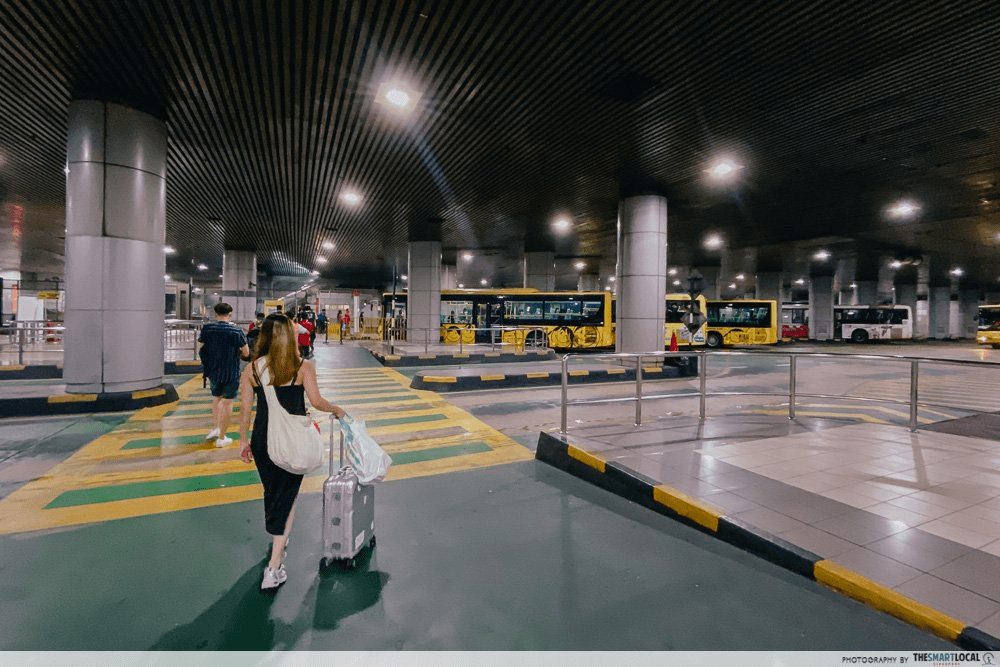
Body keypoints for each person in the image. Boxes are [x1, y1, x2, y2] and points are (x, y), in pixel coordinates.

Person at [237, 313, 346, 590]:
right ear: (291, 335)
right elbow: (317, 401)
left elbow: (246, 410)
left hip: (263, 439)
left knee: (274, 493)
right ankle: (274, 566)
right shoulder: (302, 367)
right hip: (291, 440)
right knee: (286, 497)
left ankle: (278, 540)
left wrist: (242, 441)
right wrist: (337, 409)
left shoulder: (252, 370)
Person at [197, 302, 250, 447]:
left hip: (213, 371)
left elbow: (200, 348)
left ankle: (215, 428)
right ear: (230, 314)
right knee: (227, 402)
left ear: (215, 314)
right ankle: (221, 437)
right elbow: (246, 352)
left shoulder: (207, 329)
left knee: (216, 398)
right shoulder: (236, 331)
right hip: (231, 372)